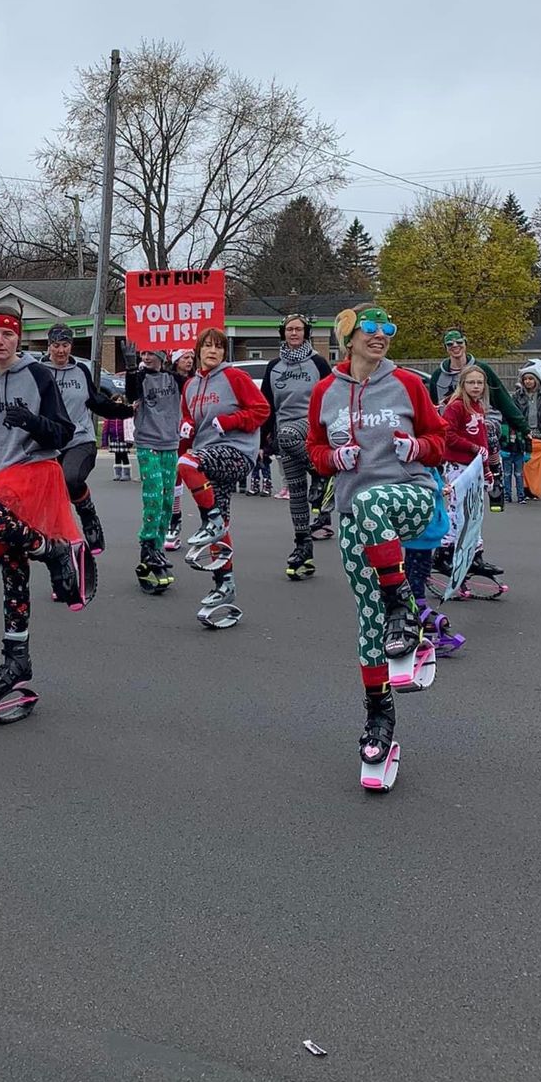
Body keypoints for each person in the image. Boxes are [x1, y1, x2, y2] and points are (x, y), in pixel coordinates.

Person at [306, 307, 446, 787]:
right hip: (354, 516)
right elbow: (314, 451)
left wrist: (419, 448)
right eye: (372, 329)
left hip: (408, 496)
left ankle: (403, 610)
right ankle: (379, 718)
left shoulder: (407, 383)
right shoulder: (326, 392)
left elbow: (439, 439)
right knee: (368, 621)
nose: (382, 337)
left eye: (389, 329)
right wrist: (332, 458)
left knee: (370, 503)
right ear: (349, 338)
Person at [0, 304, 89, 716]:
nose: (0, 342)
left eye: (7, 335)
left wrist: (33, 422)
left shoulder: (39, 375)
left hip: (33, 474)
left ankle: (57, 551)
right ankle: (16, 658)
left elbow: (63, 433)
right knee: (12, 574)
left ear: (19, 338)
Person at [177, 327, 270, 625]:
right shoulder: (190, 386)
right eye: (208, 346)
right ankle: (224, 583)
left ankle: (212, 519)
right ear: (199, 351)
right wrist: (188, 427)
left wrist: (230, 421)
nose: (213, 351)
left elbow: (261, 410)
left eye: (218, 347)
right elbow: (189, 422)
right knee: (221, 527)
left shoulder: (235, 378)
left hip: (236, 451)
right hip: (205, 457)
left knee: (191, 466)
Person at [40, 322, 133, 555]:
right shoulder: (38, 372)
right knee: (50, 496)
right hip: (48, 444)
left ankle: (88, 515)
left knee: (70, 479)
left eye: (65, 345)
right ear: (48, 346)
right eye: (56, 345)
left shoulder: (80, 370)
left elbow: (96, 401)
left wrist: (126, 410)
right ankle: (60, 546)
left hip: (80, 440)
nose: (60, 351)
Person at [260, 313, 331, 580]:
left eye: (298, 329)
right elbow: (266, 403)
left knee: (288, 434)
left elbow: (331, 394)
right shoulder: (274, 365)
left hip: (310, 424)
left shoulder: (318, 362)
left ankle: (320, 471)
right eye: (289, 329)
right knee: (296, 493)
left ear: (306, 332)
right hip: (284, 428)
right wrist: (261, 442)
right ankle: (303, 545)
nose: (293, 334)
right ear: (283, 333)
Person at [124, 346, 182, 594]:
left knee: (168, 500)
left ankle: (157, 549)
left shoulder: (174, 378)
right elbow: (130, 395)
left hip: (170, 443)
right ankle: (147, 547)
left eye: (151, 353)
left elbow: (193, 381)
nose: (146, 357)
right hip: (148, 443)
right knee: (154, 497)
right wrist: (129, 367)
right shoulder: (139, 378)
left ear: (162, 356)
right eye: (143, 354)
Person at [439, 364, 504, 581]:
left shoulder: (478, 408)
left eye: (479, 382)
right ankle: (444, 552)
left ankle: (476, 555)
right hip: (458, 466)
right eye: (471, 382)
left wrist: (487, 469)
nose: (476, 386)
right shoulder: (456, 407)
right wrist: (473, 448)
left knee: (475, 513)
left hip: (475, 467)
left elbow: (483, 442)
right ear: (463, 384)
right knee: (459, 511)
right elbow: (447, 435)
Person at [428, 328, 527, 436]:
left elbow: (502, 399)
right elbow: (432, 407)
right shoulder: (438, 376)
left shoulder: (482, 369)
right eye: (450, 344)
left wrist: (523, 427)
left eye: (459, 342)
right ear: (446, 348)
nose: (455, 346)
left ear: (465, 343)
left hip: (482, 427)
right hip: (451, 431)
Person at [164, 349, 195, 551]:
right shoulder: (167, 381)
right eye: (185, 358)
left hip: (195, 434)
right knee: (173, 480)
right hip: (171, 434)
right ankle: (174, 523)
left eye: (192, 358)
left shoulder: (198, 381)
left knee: (203, 484)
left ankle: (212, 523)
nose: (190, 361)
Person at [513, 369, 541, 501]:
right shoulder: (517, 395)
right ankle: (524, 489)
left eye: (531, 378)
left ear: (536, 380)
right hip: (524, 433)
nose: (528, 381)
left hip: (539, 433)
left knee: (536, 466)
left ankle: (535, 490)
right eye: (525, 379)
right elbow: (514, 415)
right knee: (523, 464)